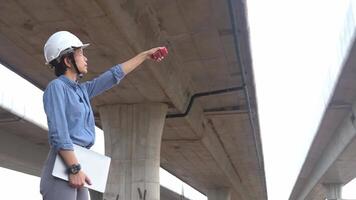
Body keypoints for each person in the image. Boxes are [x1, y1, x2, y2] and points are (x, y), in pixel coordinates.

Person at [39, 31, 166, 200]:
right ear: (67, 60)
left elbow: (113, 75)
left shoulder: (81, 90)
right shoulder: (56, 87)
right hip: (63, 167)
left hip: (77, 162)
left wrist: (144, 55)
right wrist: (74, 168)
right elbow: (59, 134)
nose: (85, 59)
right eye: (80, 54)